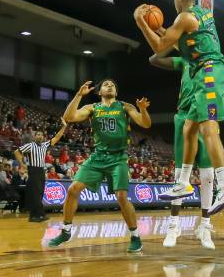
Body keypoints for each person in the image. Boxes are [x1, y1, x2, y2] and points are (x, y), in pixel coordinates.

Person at [134, 0, 224, 215]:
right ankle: (183, 183)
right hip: (211, 71)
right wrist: (161, 28)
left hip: (208, 74)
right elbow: (181, 42)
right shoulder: (202, 15)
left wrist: (141, 22)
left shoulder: (184, 17)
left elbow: (160, 47)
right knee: (189, 129)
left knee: (208, 129)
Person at [150, 49, 224, 248]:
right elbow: (154, 59)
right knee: (179, 176)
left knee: (208, 176)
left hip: (208, 118)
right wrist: (173, 42)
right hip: (185, 116)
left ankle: (205, 226)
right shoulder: (184, 61)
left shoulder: (218, 71)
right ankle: (173, 225)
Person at [47, 79, 151, 252]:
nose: (109, 85)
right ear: (100, 92)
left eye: (112, 85)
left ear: (116, 92)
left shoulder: (125, 106)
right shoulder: (92, 108)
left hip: (118, 158)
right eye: (105, 84)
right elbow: (68, 117)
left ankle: (135, 236)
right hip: (98, 157)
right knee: (73, 189)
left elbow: (145, 123)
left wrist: (143, 109)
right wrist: (78, 95)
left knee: (122, 197)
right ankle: (65, 231)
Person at [14, 118, 68, 222]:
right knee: (35, 193)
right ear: (34, 137)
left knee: (39, 193)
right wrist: (22, 164)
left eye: (41, 135)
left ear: (43, 137)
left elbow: (56, 138)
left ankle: (33, 216)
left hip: (41, 171)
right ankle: (40, 214)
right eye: (37, 135)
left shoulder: (44, 145)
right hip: (33, 170)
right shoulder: (30, 145)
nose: (39, 136)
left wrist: (64, 127)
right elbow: (17, 152)